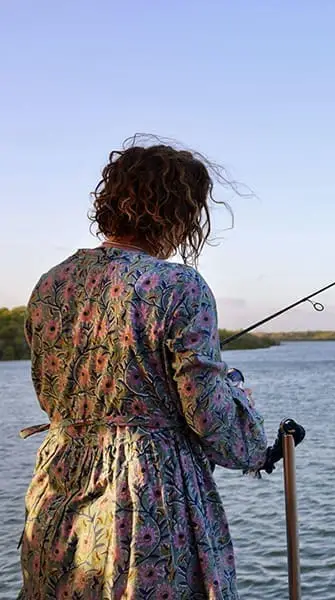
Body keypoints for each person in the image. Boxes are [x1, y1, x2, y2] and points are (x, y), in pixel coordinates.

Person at [18, 137, 276, 599]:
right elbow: (208, 414)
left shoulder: (50, 284)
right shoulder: (179, 286)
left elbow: (50, 390)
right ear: (178, 212)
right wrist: (259, 450)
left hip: (59, 485)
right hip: (147, 496)